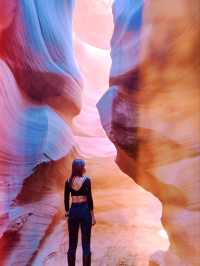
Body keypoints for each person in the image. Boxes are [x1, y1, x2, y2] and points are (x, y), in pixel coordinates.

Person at [64, 159, 96, 266]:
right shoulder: (87, 180)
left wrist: (68, 213)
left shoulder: (68, 181)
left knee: (72, 244)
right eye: (84, 166)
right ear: (81, 168)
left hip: (73, 211)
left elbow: (66, 199)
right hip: (85, 210)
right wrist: (92, 215)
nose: (85, 167)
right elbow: (90, 198)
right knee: (86, 244)